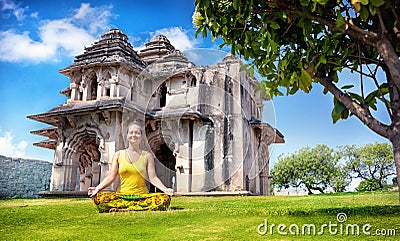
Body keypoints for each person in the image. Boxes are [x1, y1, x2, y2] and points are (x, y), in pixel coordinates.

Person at [88, 121, 173, 212]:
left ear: (141, 136)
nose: (134, 135)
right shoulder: (118, 155)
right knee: (100, 198)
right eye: (131, 132)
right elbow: (111, 177)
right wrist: (97, 188)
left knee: (164, 199)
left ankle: (124, 209)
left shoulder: (147, 156)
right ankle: (134, 208)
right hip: (122, 195)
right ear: (127, 136)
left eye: (137, 133)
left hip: (142, 196)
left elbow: (153, 178)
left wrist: (165, 189)